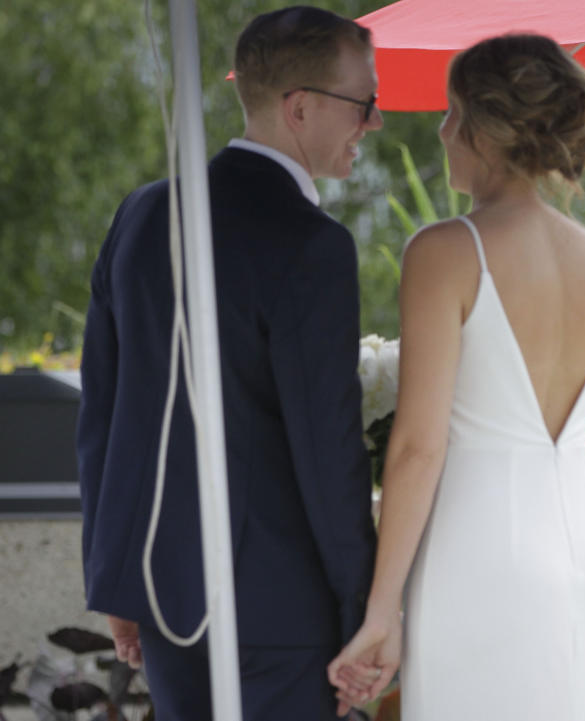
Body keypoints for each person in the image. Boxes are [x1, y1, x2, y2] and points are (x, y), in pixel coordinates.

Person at [326, 33, 585, 721]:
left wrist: (382, 608)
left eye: (451, 113)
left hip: (477, 556)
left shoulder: (445, 252)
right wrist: (546, 514)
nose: (442, 130)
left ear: (486, 126)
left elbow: (418, 446)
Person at [76, 7, 381, 720]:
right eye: (365, 103)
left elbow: (104, 409)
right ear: (300, 107)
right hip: (284, 614)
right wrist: (363, 608)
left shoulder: (144, 214)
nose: (374, 123)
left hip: (162, 589)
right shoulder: (313, 245)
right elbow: (327, 446)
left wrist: (117, 578)